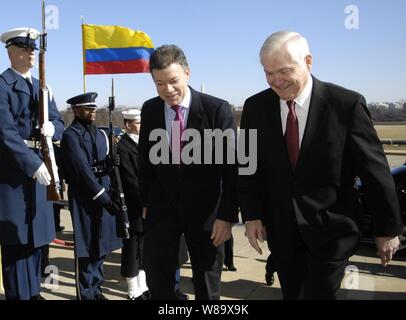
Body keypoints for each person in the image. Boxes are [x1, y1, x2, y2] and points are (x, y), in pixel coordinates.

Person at [239, 31, 403, 300]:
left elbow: (374, 171)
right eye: (268, 73)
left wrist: (387, 229)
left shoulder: (346, 105)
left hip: (332, 231)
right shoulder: (255, 107)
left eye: (284, 71)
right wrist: (252, 215)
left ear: (308, 62)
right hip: (282, 232)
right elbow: (248, 166)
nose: (276, 81)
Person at [139, 45, 239, 300]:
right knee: (157, 276)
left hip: (206, 213)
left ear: (187, 73)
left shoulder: (217, 110)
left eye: (173, 81)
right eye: (159, 83)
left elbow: (232, 169)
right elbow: (145, 163)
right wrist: (145, 203)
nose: (168, 90)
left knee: (206, 282)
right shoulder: (150, 110)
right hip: (162, 210)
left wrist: (226, 216)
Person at [0, 27, 64, 300]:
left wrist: (53, 128)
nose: (31, 53)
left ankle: (34, 292)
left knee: (37, 242)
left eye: (33, 49)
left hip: (41, 170)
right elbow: (5, 133)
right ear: (11, 51)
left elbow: (59, 122)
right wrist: (31, 163)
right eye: (25, 48)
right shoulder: (3, 85)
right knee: (17, 245)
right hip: (14, 174)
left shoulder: (42, 87)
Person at [61, 92, 122, 300]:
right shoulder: (71, 136)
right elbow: (82, 172)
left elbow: (98, 163)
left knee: (100, 244)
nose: (93, 112)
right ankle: (86, 293)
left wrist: (109, 164)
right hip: (87, 196)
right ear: (77, 111)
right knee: (87, 247)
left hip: (102, 191)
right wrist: (104, 198)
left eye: (94, 108)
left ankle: (96, 290)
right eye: (88, 109)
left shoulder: (98, 133)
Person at [117, 109, 150, 300]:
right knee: (132, 247)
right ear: (128, 125)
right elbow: (131, 180)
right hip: (133, 205)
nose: (142, 126)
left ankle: (143, 285)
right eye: (138, 123)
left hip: (146, 203)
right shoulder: (122, 146)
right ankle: (132, 288)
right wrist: (146, 202)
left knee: (143, 247)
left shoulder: (144, 143)